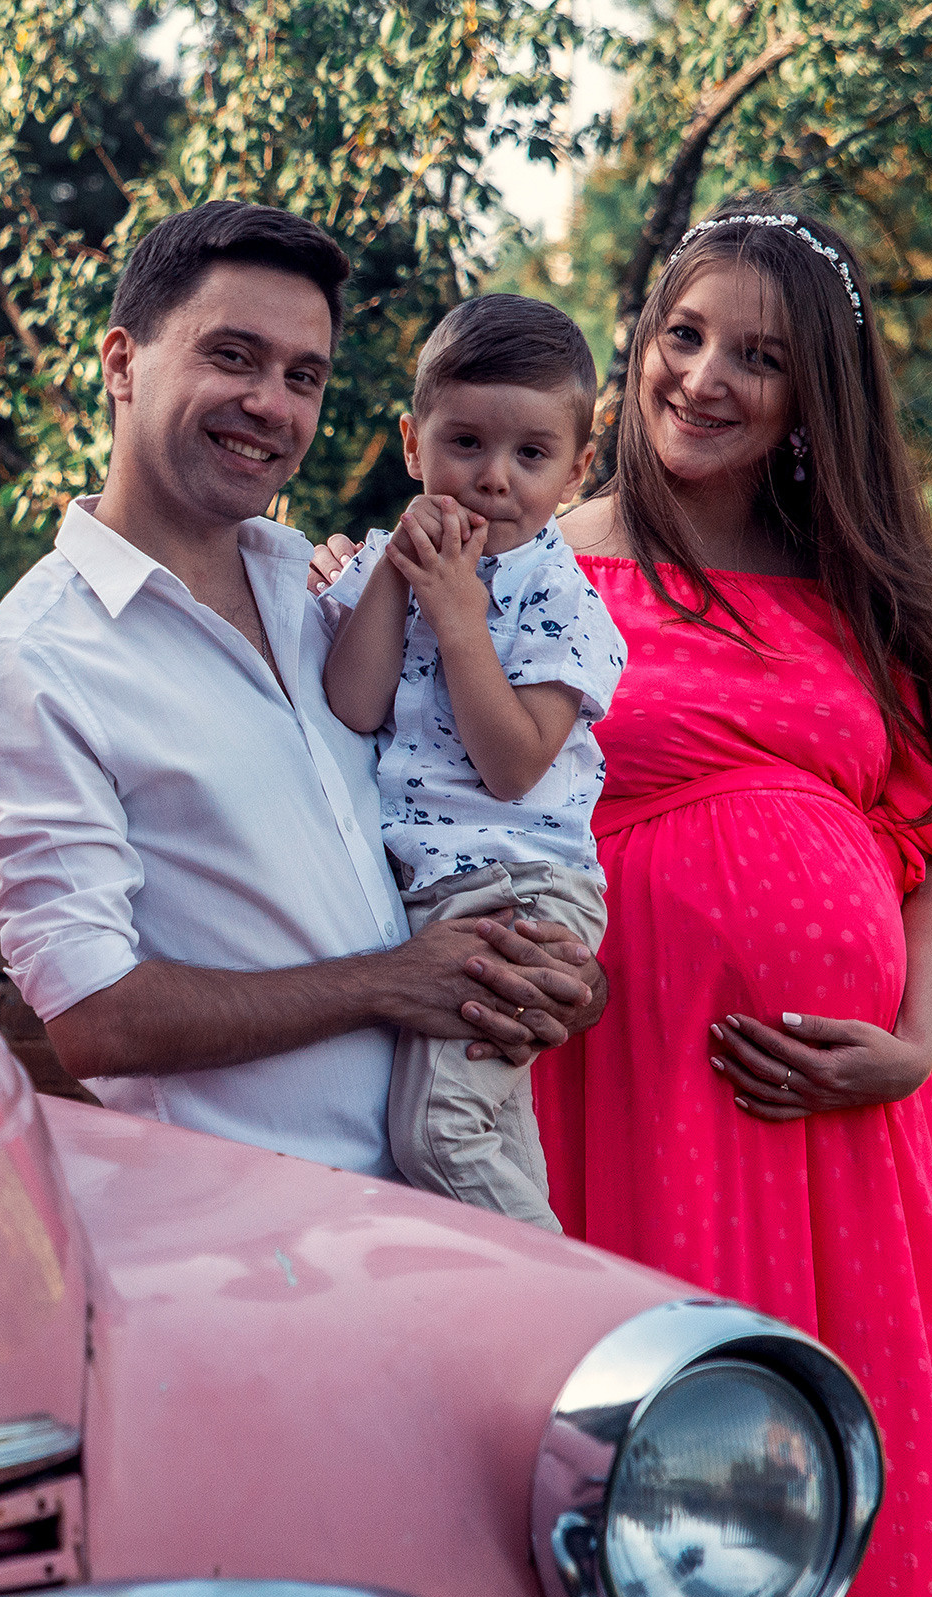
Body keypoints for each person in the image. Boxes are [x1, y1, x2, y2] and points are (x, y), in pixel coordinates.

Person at [533, 194, 932, 1597]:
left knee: (865, 1450)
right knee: (654, 1478)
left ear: (808, 399)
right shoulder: (530, 568)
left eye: (755, 358)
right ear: (638, 342)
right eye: (682, 334)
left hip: (841, 1124)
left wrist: (910, 1047)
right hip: (623, 1094)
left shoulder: (860, 599)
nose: (704, 378)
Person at [0, 201, 604, 1177]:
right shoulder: (30, 669)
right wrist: (390, 984)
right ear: (122, 363)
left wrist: (550, 980)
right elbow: (95, 1018)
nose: (271, 405)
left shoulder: (331, 598)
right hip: (245, 1235)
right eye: (232, 357)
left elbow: (456, 831)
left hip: (435, 1214)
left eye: (303, 377)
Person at [318, 295, 624, 1232]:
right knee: (493, 1133)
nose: (493, 479)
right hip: (436, 891)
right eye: (465, 444)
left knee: (436, 1137)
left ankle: (564, 1308)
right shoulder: (388, 560)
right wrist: (394, 580)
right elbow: (353, 704)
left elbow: (514, 766)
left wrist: (456, 615)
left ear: (575, 471)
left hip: (521, 892)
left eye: (530, 456)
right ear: (413, 445)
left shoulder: (563, 601)